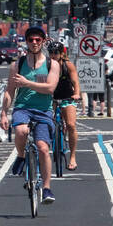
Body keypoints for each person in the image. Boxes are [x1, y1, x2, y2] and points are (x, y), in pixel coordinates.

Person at [0, 26, 60, 205]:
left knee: (42, 148)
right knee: (21, 132)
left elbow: (50, 88)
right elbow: (10, 91)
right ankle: (21, 156)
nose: (34, 43)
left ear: (43, 41)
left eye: (38, 40)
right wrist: (3, 113)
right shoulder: (17, 65)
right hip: (23, 108)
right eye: (31, 40)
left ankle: (47, 188)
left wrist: (27, 82)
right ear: (26, 42)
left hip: (43, 110)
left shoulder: (52, 64)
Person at [49, 40, 80, 172]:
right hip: (52, 98)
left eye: (56, 52)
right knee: (47, 124)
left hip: (67, 97)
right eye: (51, 53)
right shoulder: (46, 66)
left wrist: (77, 94)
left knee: (71, 125)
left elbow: (75, 82)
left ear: (62, 54)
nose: (53, 55)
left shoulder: (68, 66)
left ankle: (72, 157)